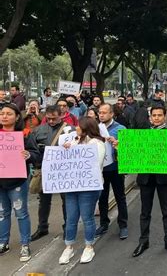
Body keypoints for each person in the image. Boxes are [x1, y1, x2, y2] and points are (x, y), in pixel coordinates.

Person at [132, 106, 167, 258]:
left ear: (165, 117)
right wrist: (122, 148)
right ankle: (143, 241)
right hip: (146, 179)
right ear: (150, 117)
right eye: (154, 115)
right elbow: (133, 154)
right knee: (145, 212)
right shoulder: (142, 135)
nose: (157, 118)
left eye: (160, 115)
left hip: (164, 179)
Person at [59, 117, 106, 265]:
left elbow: (94, 164)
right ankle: (69, 246)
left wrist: (74, 150)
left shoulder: (97, 144)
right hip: (72, 187)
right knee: (71, 218)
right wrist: (67, 148)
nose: (76, 128)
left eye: (78, 126)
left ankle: (89, 246)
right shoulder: (76, 141)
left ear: (85, 128)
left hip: (89, 188)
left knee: (87, 217)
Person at [0, 103, 40, 261]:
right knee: (2, 213)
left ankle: (25, 245)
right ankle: (3, 242)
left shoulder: (24, 134)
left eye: (9, 114)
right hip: (0, 182)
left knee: (21, 213)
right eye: (2, 113)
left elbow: (36, 154)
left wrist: (28, 155)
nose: (4, 116)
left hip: (17, 181)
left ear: (17, 117)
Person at [30, 105, 74, 241]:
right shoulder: (38, 131)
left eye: (54, 118)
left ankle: (67, 227)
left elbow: (78, 149)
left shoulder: (70, 130)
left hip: (64, 171)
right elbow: (32, 150)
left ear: (61, 115)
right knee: (43, 200)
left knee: (66, 200)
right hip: (45, 170)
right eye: (48, 118)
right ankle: (42, 227)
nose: (50, 121)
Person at [95, 104, 128, 239]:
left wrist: (117, 144)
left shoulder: (121, 129)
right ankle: (103, 223)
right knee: (102, 197)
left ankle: (123, 225)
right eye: (99, 112)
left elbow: (128, 149)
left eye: (104, 112)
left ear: (112, 114)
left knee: (120, 196)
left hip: (115, 168)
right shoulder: (95, 128)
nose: (101, 115)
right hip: (101, 169)